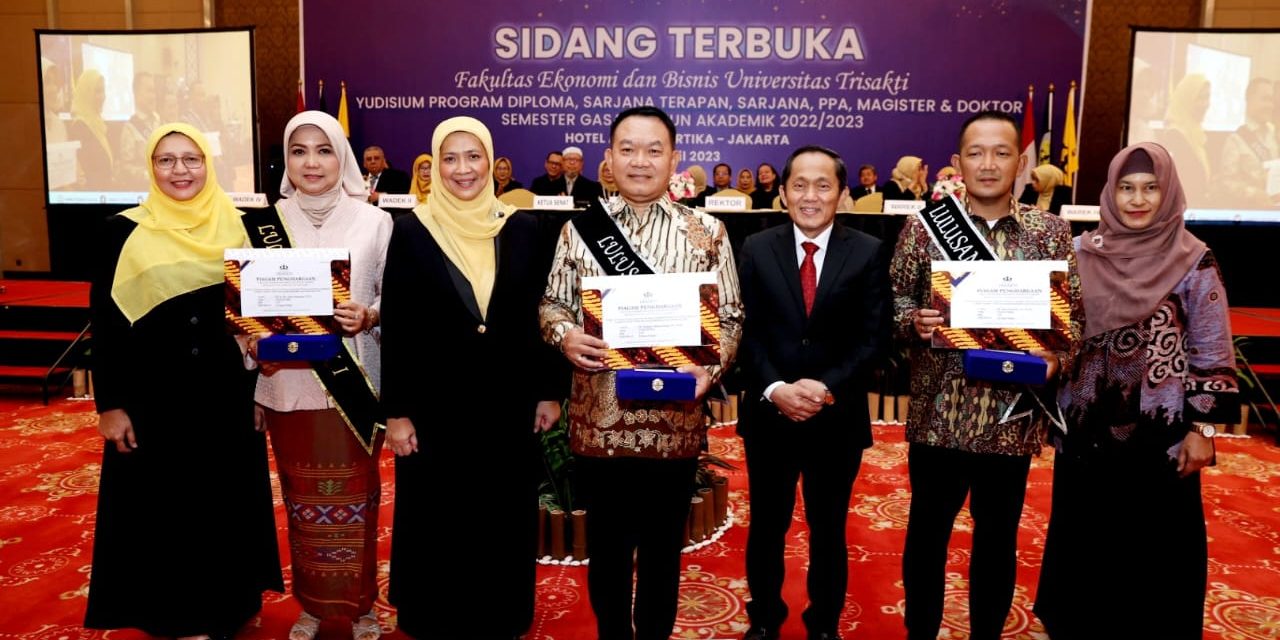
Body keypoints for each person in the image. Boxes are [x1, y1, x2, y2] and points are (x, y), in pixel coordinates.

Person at [540, 105, 743, 640]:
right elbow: (551, 305)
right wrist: (565, 335)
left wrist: (711, 366)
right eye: (627, 149)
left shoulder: (708, 233)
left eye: (654, 150)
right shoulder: (579, 232)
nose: (640, 160)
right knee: (605, 553)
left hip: (673, 422)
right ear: (608, 159)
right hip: (598, 422)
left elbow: (730, 316)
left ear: (674, 159)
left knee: (661, 554)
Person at [889, 111, 1083, 640]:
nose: (989, 163)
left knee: (997, 540)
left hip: (1009, 419)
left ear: (1021, 163)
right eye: (976, 153)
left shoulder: (1050, 233)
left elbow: (1074, 324)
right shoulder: (925, 227)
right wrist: (914, 320)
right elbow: (895, 302)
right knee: (926, 535)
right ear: (957, 163)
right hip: (938, 416)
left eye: (1001, 152)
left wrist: (1055, 360)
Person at [85, 122, 282, 637]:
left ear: (209, 164)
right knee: (162, 512)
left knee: (224, 506)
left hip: (224, 394)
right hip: (153, 399)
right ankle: (170, 613)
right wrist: (111, 404)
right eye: (167, 160)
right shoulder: (120, 231)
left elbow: (260, 323)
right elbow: (105, 324)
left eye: (191, 159)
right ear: (151, 167)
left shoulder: (244, 228)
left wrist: (260, 387)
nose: (180, 171)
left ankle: (230, 604)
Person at [1034, 142, 1238, 639]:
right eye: (1126, 187)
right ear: (1110, 192)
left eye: (1150, 188)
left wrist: (1203, 430)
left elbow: (1211, 352)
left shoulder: (1194, 260)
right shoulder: (1079, 255)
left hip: (1160, 439)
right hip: (1086, 436)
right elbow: (1058, 336)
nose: (1137, 199)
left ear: (1167, 193)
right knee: (1086, 546)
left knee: (1157, 555)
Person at [383, 116, 567, 640]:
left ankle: (502, 614)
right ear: (435, 166)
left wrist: (550, 390)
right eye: (450, 158)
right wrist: (396, 411)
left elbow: (542, 313)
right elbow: (397, 324)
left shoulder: (523, 227)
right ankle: (435, 616)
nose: (462, 169)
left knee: (502, 514)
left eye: (473, 156)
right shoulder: (413, 230)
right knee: (438, 518)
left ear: (492, 162)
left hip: (507, 405)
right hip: (435, 408)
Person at [737, 145, 892, 640]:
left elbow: (875, 338)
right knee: (767, 528)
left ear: (843, 194)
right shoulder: (756, 248)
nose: (810, 195)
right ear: (782, 193)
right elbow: (743, 331)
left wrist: (825, 387)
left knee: (829, 531)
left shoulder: (867, 250)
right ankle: (764, 620)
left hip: (836, 419)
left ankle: (823, 624)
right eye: (799, 185)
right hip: (770, 415)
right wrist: (777, 388)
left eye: (823, 185)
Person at [250, 111, 392, 640]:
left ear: (342, 158)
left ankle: (361, 607)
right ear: (286, 160)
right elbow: (248, 307)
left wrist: (371, 313)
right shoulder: (263, 224)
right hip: (286, 386)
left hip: (353, 384)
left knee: (356, 499)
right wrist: (250, 338)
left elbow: (392, 297)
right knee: (302, 501)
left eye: (324, 150)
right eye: (299, 151)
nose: (312, 162)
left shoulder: (375, 221)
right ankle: (311, 604)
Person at [1219, 78, 1279, 208]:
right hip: (1251, 213)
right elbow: (1226, 183)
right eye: (1265, 99)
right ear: (1249, 100)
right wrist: (1253, 193)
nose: (1270, 106)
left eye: (1272, 100)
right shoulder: (1235, 140)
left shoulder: (1273, 134)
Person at [1160, 74, 1212, 206]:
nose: (1206, 104)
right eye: (1200, 98)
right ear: (1186, 99)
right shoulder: (1174, 135)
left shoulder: (1195, 132)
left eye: (1207, 97)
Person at [68, 69, 114, 190]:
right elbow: (87, 173)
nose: (102, 97)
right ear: (85, 93)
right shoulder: (80, 127)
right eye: (97, 91)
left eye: (103, 90)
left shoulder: (97, 121)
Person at [117, 72, 163, 191]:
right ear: (136, 94)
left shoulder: (159, 121)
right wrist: (147, 175)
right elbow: (125, 167)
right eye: (148, 91)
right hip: (143, 191)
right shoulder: (130, 128)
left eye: (153, 91)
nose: (153, 96)